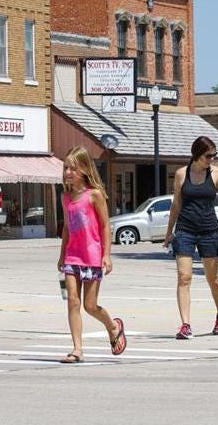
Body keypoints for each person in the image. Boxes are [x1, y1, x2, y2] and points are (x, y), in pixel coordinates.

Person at [57, 146, 126, 363]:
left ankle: (113, 326)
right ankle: (77, 349)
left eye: (73, 168)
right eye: (65, 167)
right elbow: (67, 228)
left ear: (84, 169)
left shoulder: (94, 195)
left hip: (92, 256)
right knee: (72, 302)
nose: (68, 172)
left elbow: (106, 226)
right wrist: (62, 255)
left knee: (89, 305)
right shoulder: (65, 197)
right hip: (72, 256)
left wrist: (107, 255)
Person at [163, 136, 218, 339]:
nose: (211, 159)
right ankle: (185, 324)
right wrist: (169, 232)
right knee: (184, 278)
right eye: (208, 156)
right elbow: (176, 204)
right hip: (185, 229)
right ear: (197, 154)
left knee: (213, 279)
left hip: (209, 230)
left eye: (214, 155)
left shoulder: (216, 173)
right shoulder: (181, 174)